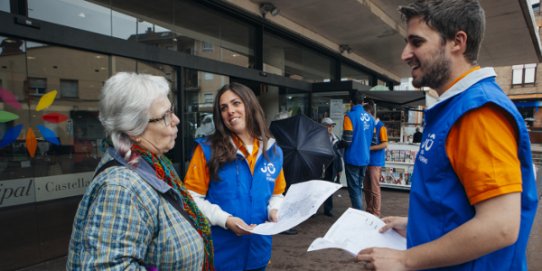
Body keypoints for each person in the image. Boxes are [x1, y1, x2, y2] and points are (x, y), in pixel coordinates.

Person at [356, 1, 538, 270]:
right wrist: (416, 226)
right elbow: (458, 204)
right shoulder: (458, 107)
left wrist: (406, 260)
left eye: (416, 42)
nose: (405, 54)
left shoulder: (477, 113)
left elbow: (500, 226)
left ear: (457, 42)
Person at [67, 72, 214, 270]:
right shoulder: (121, 188)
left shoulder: (154, 165)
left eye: (173, 111)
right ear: (134, 130)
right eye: (165, 116)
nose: (177, 120)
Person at [184, 82, 287, 271]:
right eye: (224, 108)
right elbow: (191, 199)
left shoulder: (273, 152)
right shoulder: (206, 150)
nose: (230, 111)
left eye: (236, 103)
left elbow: (277, 194)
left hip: (259, 252)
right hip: (220, 254)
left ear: (249, 105)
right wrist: (225, 220)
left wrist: (274, 210)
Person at [342, 91, 375, 210]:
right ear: (362, 102)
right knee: (359, 187)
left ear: (351, 102)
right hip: (365, 159)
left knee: (354, 189)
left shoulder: (349, 116)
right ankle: (359, 213)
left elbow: (347, 140)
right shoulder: (371, 119)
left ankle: (358, 215)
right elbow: (374, 141)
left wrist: (337, 144)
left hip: (352, 158)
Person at [362, 101, 388, 217]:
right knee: (367, 188)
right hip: (367, 160)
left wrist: (370, 148)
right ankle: (369, 210)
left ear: (370, 113)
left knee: (374, 189)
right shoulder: (370, 125)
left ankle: (376, 213)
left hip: (375, 161)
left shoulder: (380, 126)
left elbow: (384, 144)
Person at [321, 117, 343, 217]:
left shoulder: (335, 138)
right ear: (323, 126)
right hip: (320, 166)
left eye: (331, 126)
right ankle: (312, 210)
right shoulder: (317, 138)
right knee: (316, 189)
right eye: (328, 126)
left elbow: (339, 155)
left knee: (329, 188)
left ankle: (328, 209)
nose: (330, 128)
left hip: (331, 167)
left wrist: (339, 169)